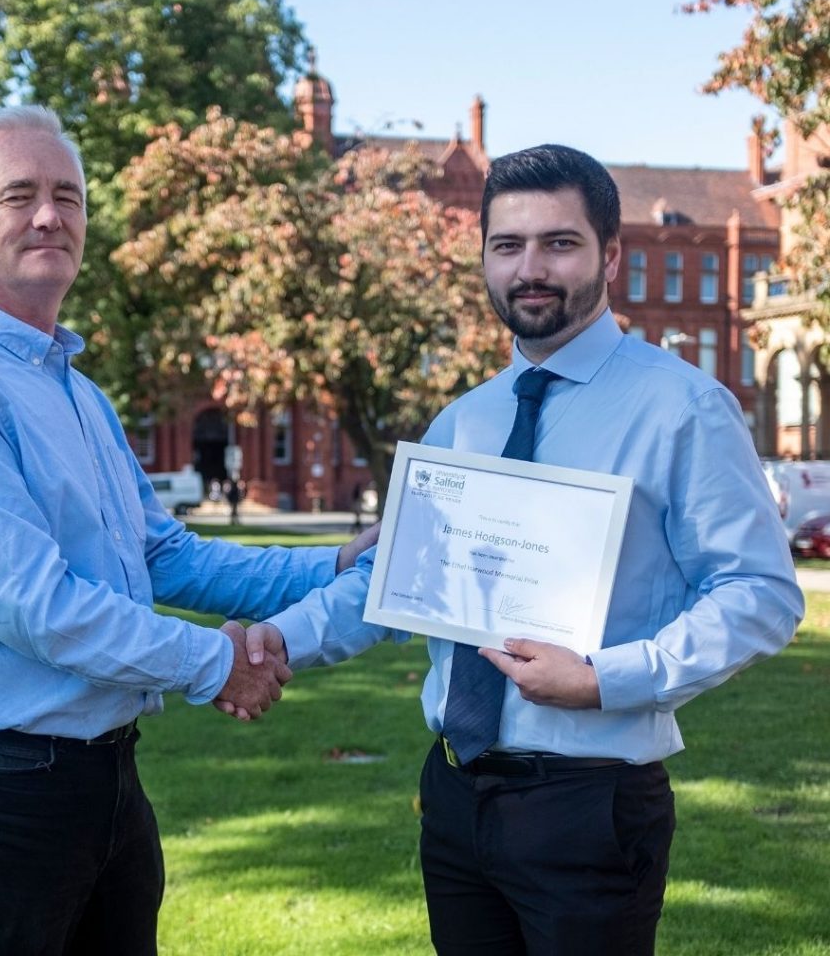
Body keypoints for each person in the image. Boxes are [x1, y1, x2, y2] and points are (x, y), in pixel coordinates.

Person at [0, 105, 376, 956]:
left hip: (104, 773)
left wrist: (331, 565)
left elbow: (161, 553)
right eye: (17, 195)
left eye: (68, 195)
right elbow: (30, 605)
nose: (48, 216)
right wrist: (217, 667)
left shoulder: (75, 389)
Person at [259, 144, 804, 955]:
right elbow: (398, 583)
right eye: (507, 246)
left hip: (589, 805)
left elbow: (760, 593)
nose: (530, 269)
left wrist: (605, 680)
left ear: (610, 255)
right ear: (483, 257)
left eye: (560, 243)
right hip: (454, 794)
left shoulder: (684, 409)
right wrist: (277, 645)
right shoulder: (464, 422)